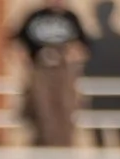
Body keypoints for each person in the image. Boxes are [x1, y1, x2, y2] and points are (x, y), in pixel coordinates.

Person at [13, 4, 88, 149]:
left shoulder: (70, 17)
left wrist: (73, 55)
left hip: (63, 71)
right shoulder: (35, 16)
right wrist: (24, 60)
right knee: (42, 110)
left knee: (64, 110)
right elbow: (17, 41)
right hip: (40, 69)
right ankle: (43, 149)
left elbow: (83, 45)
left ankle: (63, 151)